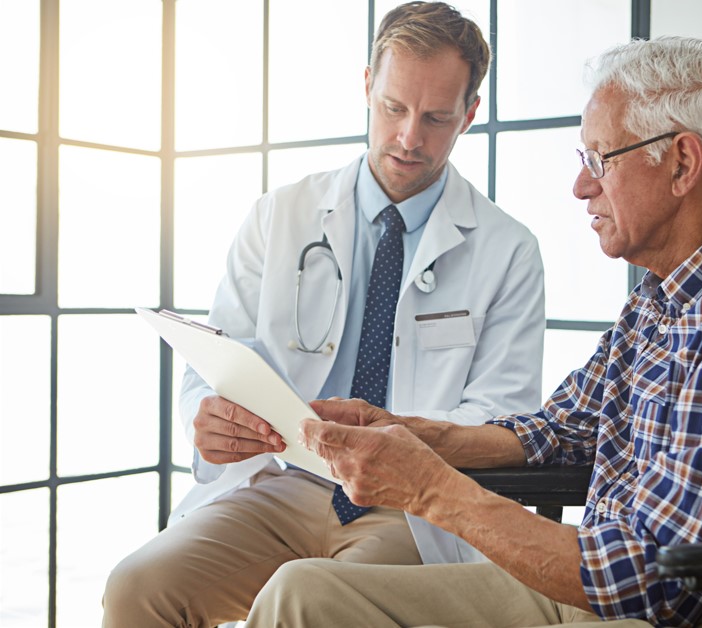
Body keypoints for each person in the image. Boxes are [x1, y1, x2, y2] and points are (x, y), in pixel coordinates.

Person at [243, 36, 702, 627]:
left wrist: (430, 488)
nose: (580, 185)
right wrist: (403, 432)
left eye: (599, 157)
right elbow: (556, 432)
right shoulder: (662, 298)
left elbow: (656, 578)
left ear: (680, 163)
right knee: (303, 595)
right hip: (605, 591)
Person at [102, 2, 545, 626]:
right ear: (367, 86)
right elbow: (220, 357)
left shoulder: (508, 250)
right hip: (283, 482)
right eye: (393, 107)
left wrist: (394, 437)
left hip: (410, 508)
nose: (409, 138)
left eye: (436, 117)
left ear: (469, 115)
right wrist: (210, 422)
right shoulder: (279, 215)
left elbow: (504, 416)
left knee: (308, 599)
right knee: (137, 587)